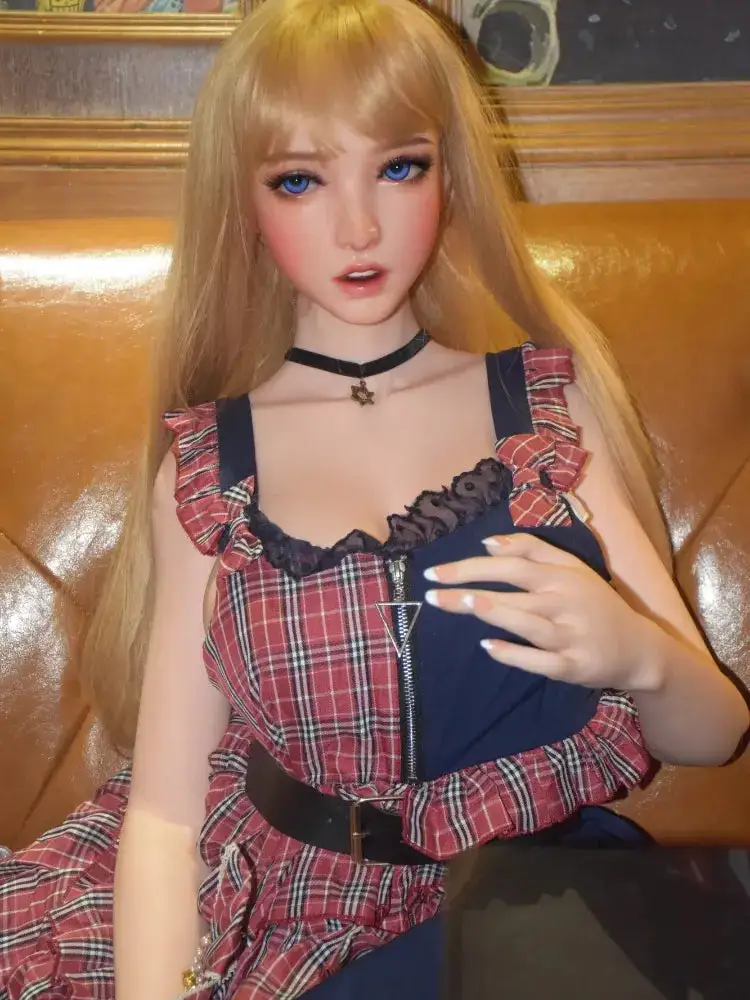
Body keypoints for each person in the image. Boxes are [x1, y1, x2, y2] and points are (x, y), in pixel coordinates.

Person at [1, 1, 747, 999]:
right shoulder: (212, 468)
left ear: (452, 174)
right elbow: (169, 818)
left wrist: (637, 652)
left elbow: (714, 731)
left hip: (533, 905)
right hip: (285, 914)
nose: (358, 226)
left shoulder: (540, 413)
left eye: (399, 167)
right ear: (243, 201)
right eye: (300, 180)